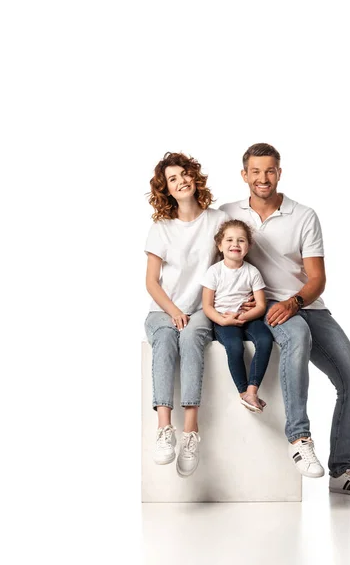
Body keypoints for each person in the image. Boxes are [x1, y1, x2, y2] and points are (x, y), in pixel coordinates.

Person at [219, 142, 350, 499]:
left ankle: (342, 472)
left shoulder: (303, 215)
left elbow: (317, 278)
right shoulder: (227, 212)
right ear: (244, 175)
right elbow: (214, 260)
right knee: (297, 337)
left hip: (304, 303)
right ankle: (298, 437)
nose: (263, 178)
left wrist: (295, 302)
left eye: (270, 170)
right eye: (256, 171)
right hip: (267, 306)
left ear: (279, 172)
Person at [144, 151, 228, 478]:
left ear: (194, 176)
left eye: (184, 174)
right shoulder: (161, 228)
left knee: (192, 337)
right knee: (165, 340)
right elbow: (151, 282)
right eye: (172, 179)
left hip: (200, 310)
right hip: (163, 309)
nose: (181, 182)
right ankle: (165, 430)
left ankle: (191, 433)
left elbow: (232, 263)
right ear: (166, 189)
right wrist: (174, 311)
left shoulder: (217, 220)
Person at [202, 219, 273, 413]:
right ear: (220, 245)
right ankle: (243, 393)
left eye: (241, 240)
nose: (235, 244)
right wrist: (223, 320)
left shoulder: (252, 272)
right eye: (229, 240)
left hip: (247, 319)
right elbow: (207, 306)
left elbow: (261, 305)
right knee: (234, 347)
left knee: (265, 339)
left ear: (249, 246)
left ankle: (252, 390)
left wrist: (245, 316)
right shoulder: (214, 272)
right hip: (224, 321)